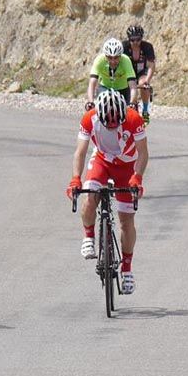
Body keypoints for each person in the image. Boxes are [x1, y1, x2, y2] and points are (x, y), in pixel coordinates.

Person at [66, 91, 148, 294]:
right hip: (103, 161)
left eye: (116, 123)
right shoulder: (89, 118)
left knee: (126, 222)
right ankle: (88, 236)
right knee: (89, 197)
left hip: (127, 166)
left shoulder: (134, 118)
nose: (112, 126)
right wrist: (76, 178)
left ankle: (127, 270)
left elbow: (143, 153)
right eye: (108, 124)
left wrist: (137, 177)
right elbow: (80, 152)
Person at [86, 37, 138, 109]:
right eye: (110, 58)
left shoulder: (126, 60)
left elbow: (132, 85)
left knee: (132, 112)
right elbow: (92, 83)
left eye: (116, 57)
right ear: (105, 56)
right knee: (99, 110)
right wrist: (90, 102)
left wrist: (132, 102)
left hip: (124, 89)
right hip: (104, 88)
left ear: (120, 55)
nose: (113, 61)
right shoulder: (99, 60)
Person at [122, 25, 156, 123]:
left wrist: (147, 80)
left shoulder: (147, 47)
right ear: (129, 39)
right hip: (128, 71)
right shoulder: (124, 47)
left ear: (141, 38)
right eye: (132, 40)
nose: (135, 42)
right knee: (129, 87)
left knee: (144, 84)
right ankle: (132, 106)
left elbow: (151, 65)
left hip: (142, 71)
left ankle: (145, 111)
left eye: (138, 39)